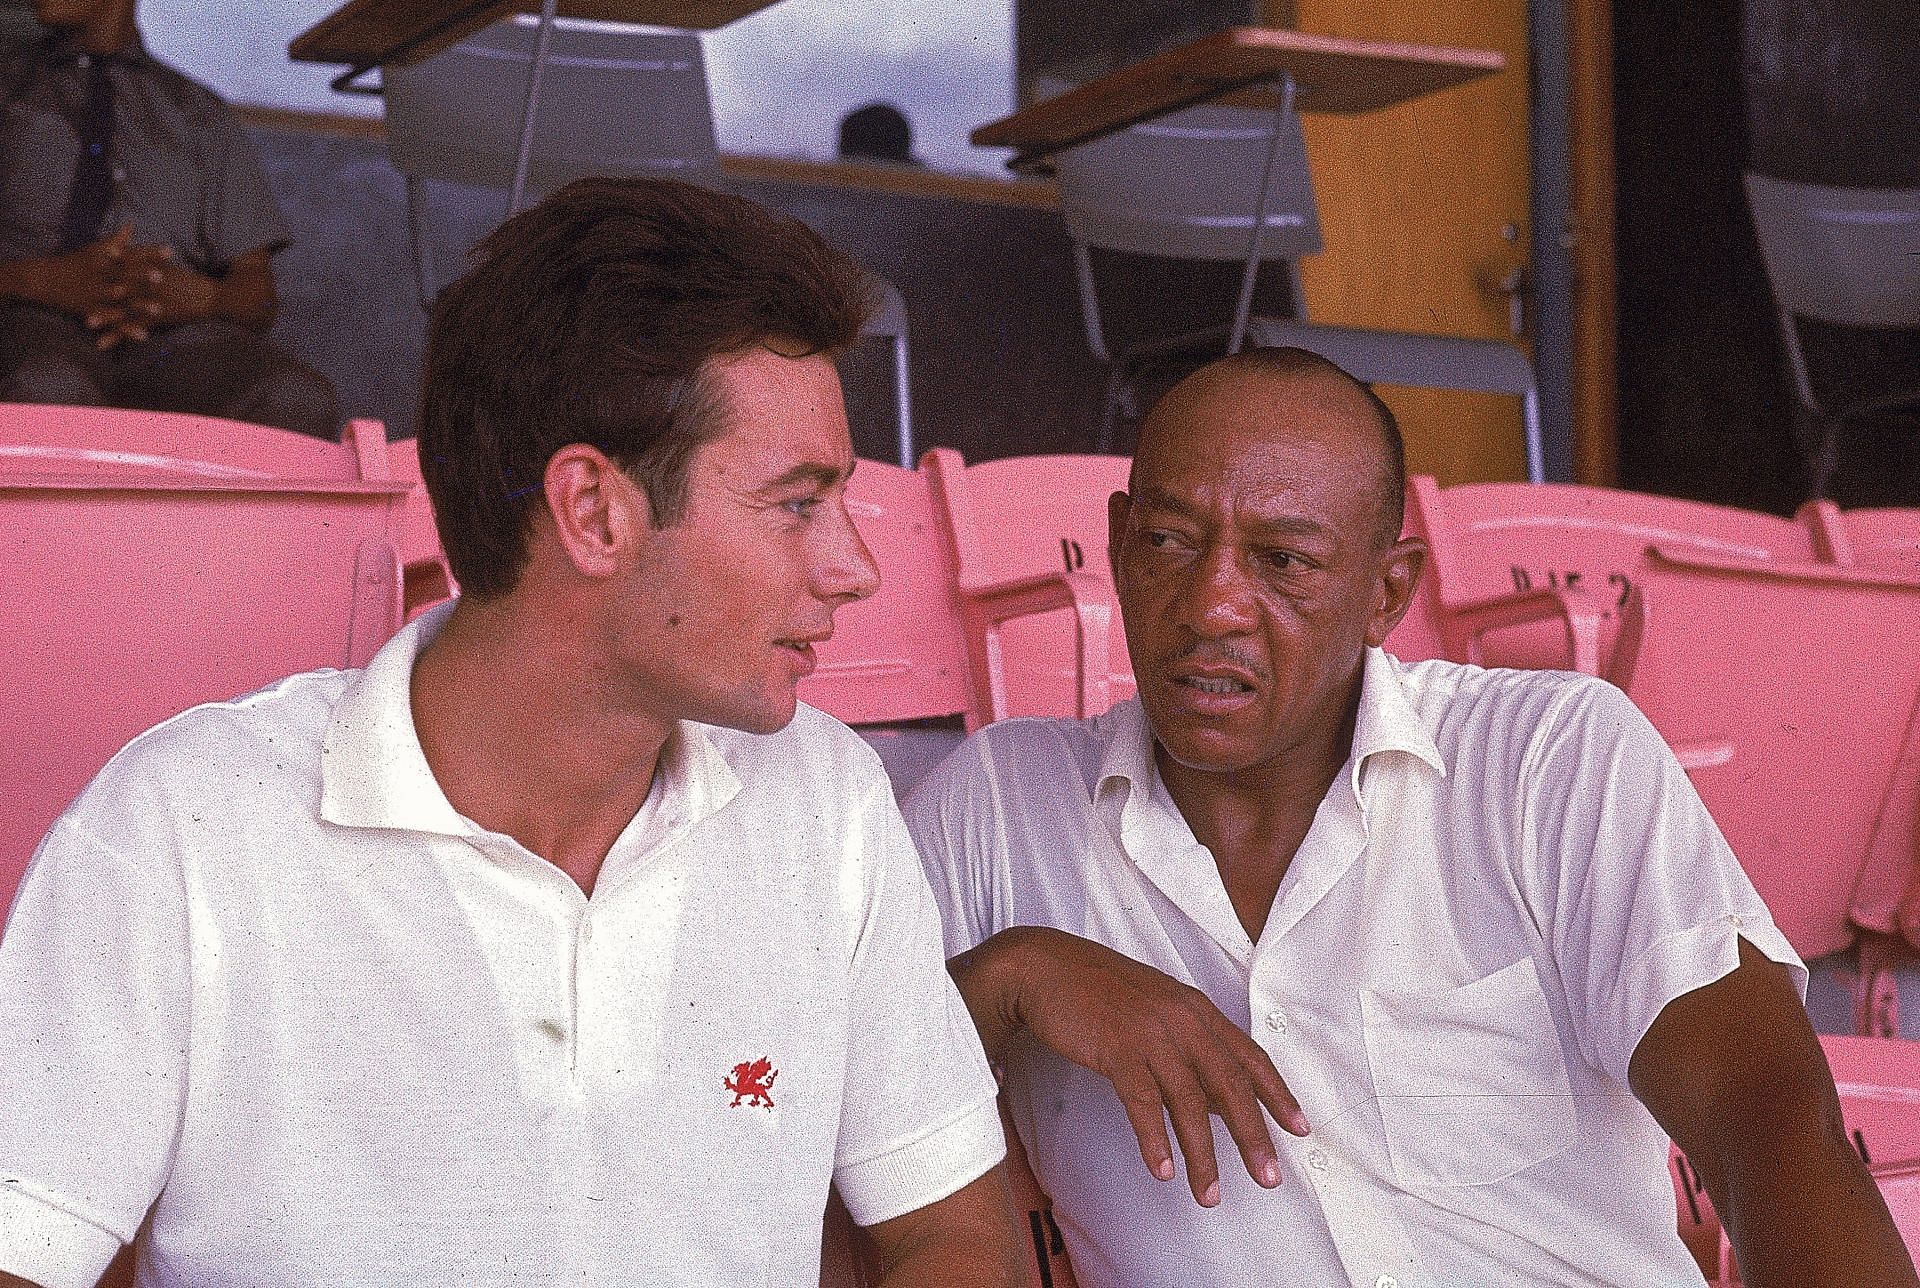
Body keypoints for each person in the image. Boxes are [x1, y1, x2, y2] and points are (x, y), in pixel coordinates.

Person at [0, 177, 1021, 1287]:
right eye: (796, 502)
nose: (855, 567)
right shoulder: (183, 829)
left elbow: (950, 1232)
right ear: (592, 510)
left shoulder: (824, 798)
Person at [904, 346, 1918, 1286]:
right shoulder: (1000, 811)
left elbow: (1769, 1118)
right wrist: (1005, 978)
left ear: (1388, 591)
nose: (1210, 601)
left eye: (1281, 561)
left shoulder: (1545, 759)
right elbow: (804, 1123)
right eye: (1169, 540)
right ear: (1120, 548)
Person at [0, 0, 336, 438]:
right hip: (30, 325)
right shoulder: (9, 92)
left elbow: (258, 294)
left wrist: (202, 299)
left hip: (177, 342)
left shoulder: (198, 112)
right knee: (48, 391)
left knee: (296, 399)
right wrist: (39, 282)